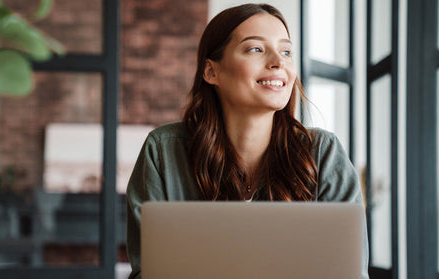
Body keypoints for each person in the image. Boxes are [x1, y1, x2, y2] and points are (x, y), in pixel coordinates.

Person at [125, 3, 369, 279]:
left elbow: (352, 274)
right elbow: (148, 271)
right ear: (211, 72)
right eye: (256, 49)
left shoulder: (323, 153)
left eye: (286, 52)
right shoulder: (163, 151)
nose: (279, 62)